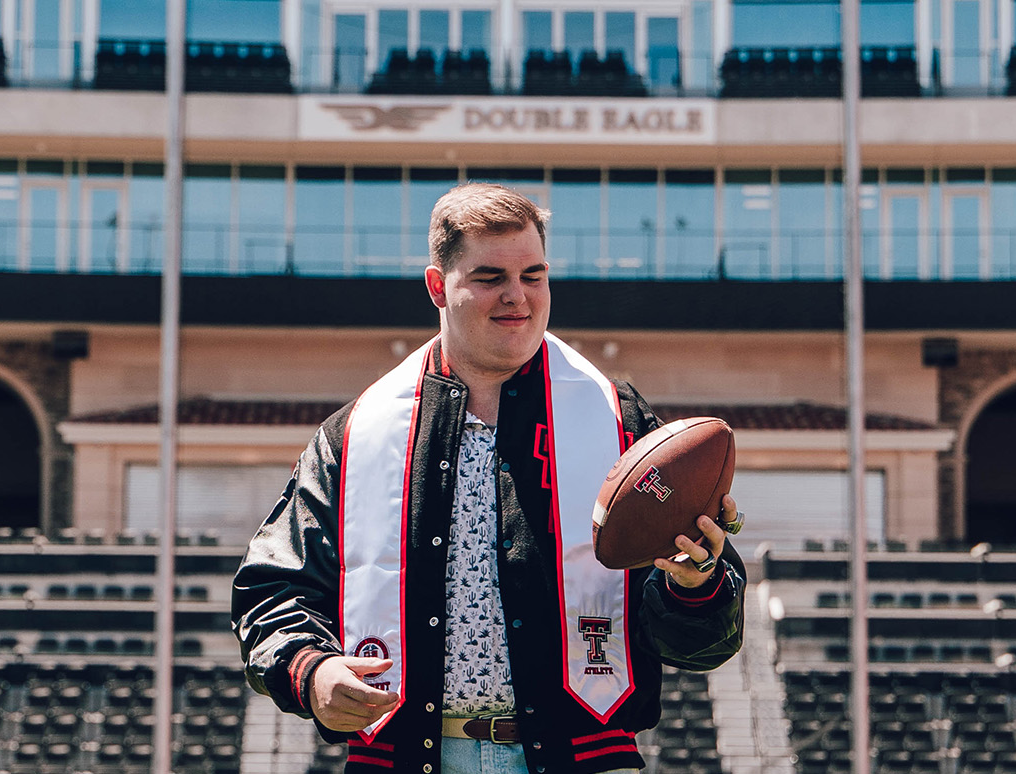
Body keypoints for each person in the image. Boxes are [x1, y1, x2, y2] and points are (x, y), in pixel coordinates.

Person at [232, 183, 745, 774]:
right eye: (490, 277)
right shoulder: (358, 432)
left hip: (582, 756)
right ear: (437, 287)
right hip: (403, 756)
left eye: (533, 274)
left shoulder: (621, 422)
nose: (517, 297)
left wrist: (696, 579)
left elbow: (707, 644)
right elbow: (271, 589)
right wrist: (312, 671)